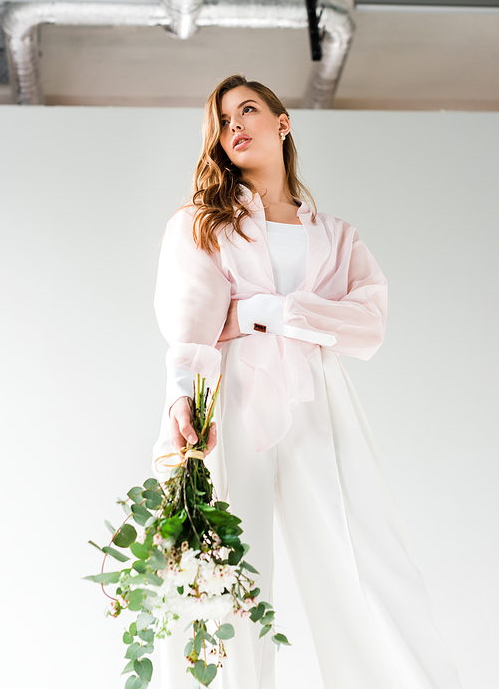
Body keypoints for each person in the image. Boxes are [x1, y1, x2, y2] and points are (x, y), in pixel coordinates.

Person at [152, 74, 463, 689]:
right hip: (229, 400)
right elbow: (191, 327)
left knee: (363, 550)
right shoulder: (201, 223)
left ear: (283, 122)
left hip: (318, 398)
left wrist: (271, 312)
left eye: (247, 110)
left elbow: (368, 325)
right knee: (224, 566)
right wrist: (182, 401)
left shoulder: (336, 235)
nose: (234, 126)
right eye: (221, 121)